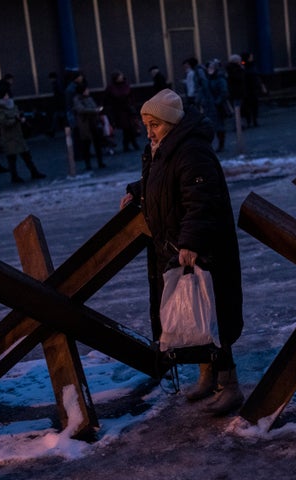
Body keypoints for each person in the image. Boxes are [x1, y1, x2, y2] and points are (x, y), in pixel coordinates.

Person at [119, 89, 244, 415]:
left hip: (200, 250)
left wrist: (191, 243)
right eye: (146, 124)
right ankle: (207, 377)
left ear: (171, 123)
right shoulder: (163, 150)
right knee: (192, 318)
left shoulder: (191, 153)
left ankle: (229, 385)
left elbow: (201, 202)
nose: (148, 132)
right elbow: (162, 183)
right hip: (173, 248)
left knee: (211, 317)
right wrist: (137, 192)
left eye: (155, 124)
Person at [0, 84, 46, 183]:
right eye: (5, 95)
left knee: (26, 156)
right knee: (12, 158)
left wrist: (21, 118)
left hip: (18, 135)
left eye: (7, 95)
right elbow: (4, 122)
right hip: (9, 137)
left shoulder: (12, 105)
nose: (7, 97)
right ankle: (15, 176)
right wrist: (15, 119)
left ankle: (34, 172)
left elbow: (17, 114)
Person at [103, 71, 139, 152]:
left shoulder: (125, 85)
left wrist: (132, 106)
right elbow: (107, 100)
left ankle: (130, 144)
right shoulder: (111, 88)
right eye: (119, 76)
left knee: (130, 128)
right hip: (119, 111)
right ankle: (129, 145)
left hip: (127, 110)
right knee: (126, 128)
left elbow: (131, 96)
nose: (121, 77)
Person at [72, 84, 106, 170]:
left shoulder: (89, 98)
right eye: (86, 90)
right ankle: (88, 164)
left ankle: (100, 162)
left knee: (97, 144)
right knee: (86, 144)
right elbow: (81, 109)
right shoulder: (77, 99)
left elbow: (93, 107)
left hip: (93, 123)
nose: (88, 91)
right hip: (85, 124)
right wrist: (94, 111)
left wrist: (97, 111)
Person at [206, 59, 230, 152]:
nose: (210, 70)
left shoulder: (220, 78)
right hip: (211, 106)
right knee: (214, 125)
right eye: (209, 68)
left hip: (218, 106)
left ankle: (221, 144)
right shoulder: (209, 78)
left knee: (219, 125)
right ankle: (218, 144)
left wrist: (217, 101)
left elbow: (224, 92)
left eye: (211, 68)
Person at [240, 52, 266, 128]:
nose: (252, 58)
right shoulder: (244, 64)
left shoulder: (252, 65)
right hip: (248, 88)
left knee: (254, 105)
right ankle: (250, 120)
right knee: (249, 105)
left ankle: (253, 120)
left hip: (252, 88)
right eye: (250, 57)